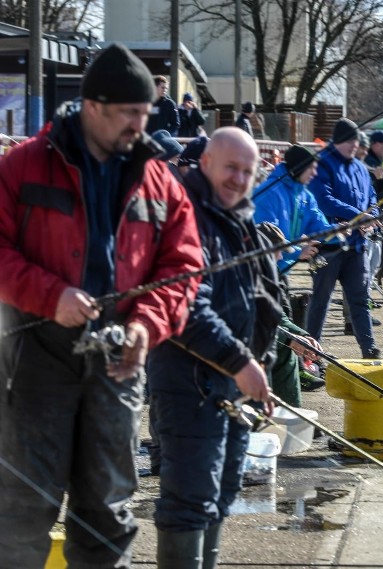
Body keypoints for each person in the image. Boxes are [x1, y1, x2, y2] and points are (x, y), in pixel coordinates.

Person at [0, 42, 203, 567]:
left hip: (120, 359)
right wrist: (50, 295)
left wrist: (147, 326)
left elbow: (182, 267)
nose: (142, 123)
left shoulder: (160, 180)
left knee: (108, 511)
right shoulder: (22, 167)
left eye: (145, 112)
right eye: (130, 113)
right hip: (36, 355)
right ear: (93, 107)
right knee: (22, 508)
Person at [146, 128, 283, 566]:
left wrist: (261, 366)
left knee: (222, 494)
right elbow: (183, 308)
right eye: (230, 168)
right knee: (188, 503)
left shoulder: (240, 220)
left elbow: (264, 300)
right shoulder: (184, 217)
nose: (239, 178)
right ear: (204, 164)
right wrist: (241, 362)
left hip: (232, 389)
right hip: (189, 388)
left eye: (248, 171)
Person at [253, 144, 330, 402]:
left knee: (283, 317)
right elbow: (266, 238)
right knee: (276, 338)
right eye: (311, 167)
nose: (315, 172)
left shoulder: (303, 193)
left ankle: (296, 380)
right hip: (263, 273)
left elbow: (317, 219)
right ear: (298, 168)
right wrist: (296, 251)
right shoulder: (269, 193)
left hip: (278, 272)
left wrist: (338, 231)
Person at [307, 118, 382, 359]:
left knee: (360, 299)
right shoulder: (322, 164)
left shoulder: (360, 167)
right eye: (349, 141)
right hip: (329, 247)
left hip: (357, 246)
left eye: (356, 141)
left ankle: (369, 348)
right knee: (320, 301)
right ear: (337, 140)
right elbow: (322, 198)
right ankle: (310, 352)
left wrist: (372, 217)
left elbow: (373, 198)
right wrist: (358, 217)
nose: (354, 146)